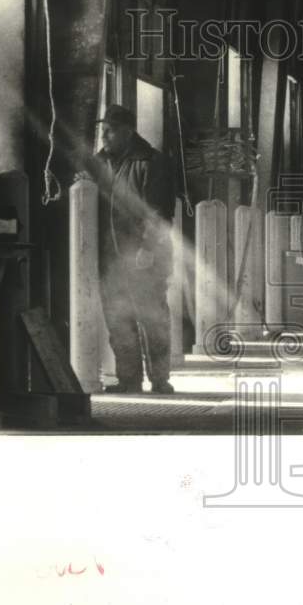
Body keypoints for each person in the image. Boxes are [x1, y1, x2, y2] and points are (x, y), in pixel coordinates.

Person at [90, 104, 176, 394]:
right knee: (119, 320)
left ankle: (160, 380)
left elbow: (159, 211)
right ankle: (129, 380)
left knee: (152, 318)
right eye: (102, 130)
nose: (104, 136)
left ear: (127, 132)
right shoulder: (98, 164)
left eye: (110, 131)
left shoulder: (152, 162)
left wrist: (148, 248)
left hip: (144, 258)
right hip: (111, 257)